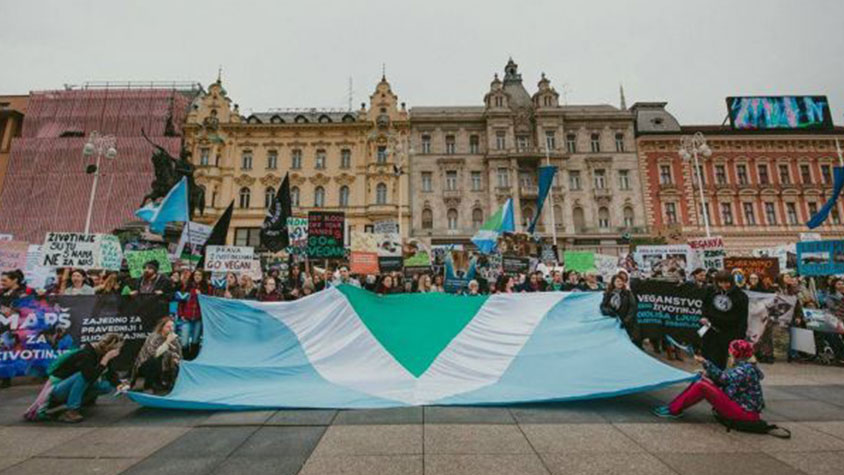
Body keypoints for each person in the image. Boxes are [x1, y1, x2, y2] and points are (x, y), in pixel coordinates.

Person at [653, 340, 765, 423]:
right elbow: (727, 380)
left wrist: (705, 363)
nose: (729, 354)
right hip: (745, 411)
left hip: (744, 414)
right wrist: (708, 374)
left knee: (702, 386)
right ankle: (673, 407)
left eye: (731, 352)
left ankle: (673, 409)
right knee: (702, 382)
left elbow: (724, 379)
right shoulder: (746, 367)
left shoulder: (744, 369)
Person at [33, 333, 124, 423]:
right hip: (57, 391)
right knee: (82, 376)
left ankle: (85, 400)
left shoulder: (102, 353)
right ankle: (71, 411)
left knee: (106, 386)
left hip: (69, 387)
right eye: (117, 349)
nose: (118, 352)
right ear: (108, 348)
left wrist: (120, 385)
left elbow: (110, 373)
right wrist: (105, 359)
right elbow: (89, 376)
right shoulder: (86, 354)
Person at [701, 270, 749, 369]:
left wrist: (740, 336)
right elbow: (704, 306)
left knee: (731, 361)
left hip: (730, 332)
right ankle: (713, 380)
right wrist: (704, 317)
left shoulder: (740, 296)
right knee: (712, 359)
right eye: (720, 282)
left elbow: (743, 317)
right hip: (712, 330)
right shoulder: (711, 292)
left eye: (727, 282)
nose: (724, 285)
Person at [131, 317, 182, 393]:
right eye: (168, 327)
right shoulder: (153, 337)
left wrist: (175, 358)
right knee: (156, 360)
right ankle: (147, 384)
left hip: (165, 366)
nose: (171, 329)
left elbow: (179, 354)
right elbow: (155, 354)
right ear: (162, 327)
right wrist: (167, 342)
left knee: (176, 361)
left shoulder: (174, 338)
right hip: (146, 364)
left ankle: (168, 382)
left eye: (172, 326)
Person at [600, 273, 640, 345]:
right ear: (613, 282)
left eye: (621, 281)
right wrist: (609, 311)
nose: (620, 283)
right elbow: (603, 306)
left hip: (628, 324)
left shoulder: (628, 293)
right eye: (618, 281)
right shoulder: (608, 294)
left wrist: (626, 320)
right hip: (614, 324)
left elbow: (633, 307)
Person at [178, 270, 207, 359]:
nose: (197, 276)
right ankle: (186, 358)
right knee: (184, 341)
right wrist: (181, 314)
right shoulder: (187, 287)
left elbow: (208, 302)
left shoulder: (206, 288)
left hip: (198, 318)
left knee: (195, 340)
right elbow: (181, 302)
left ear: (203, 277)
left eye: (199, 275)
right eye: (195, 275)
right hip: (186, 317)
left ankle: (193, 358)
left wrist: (201, 295)